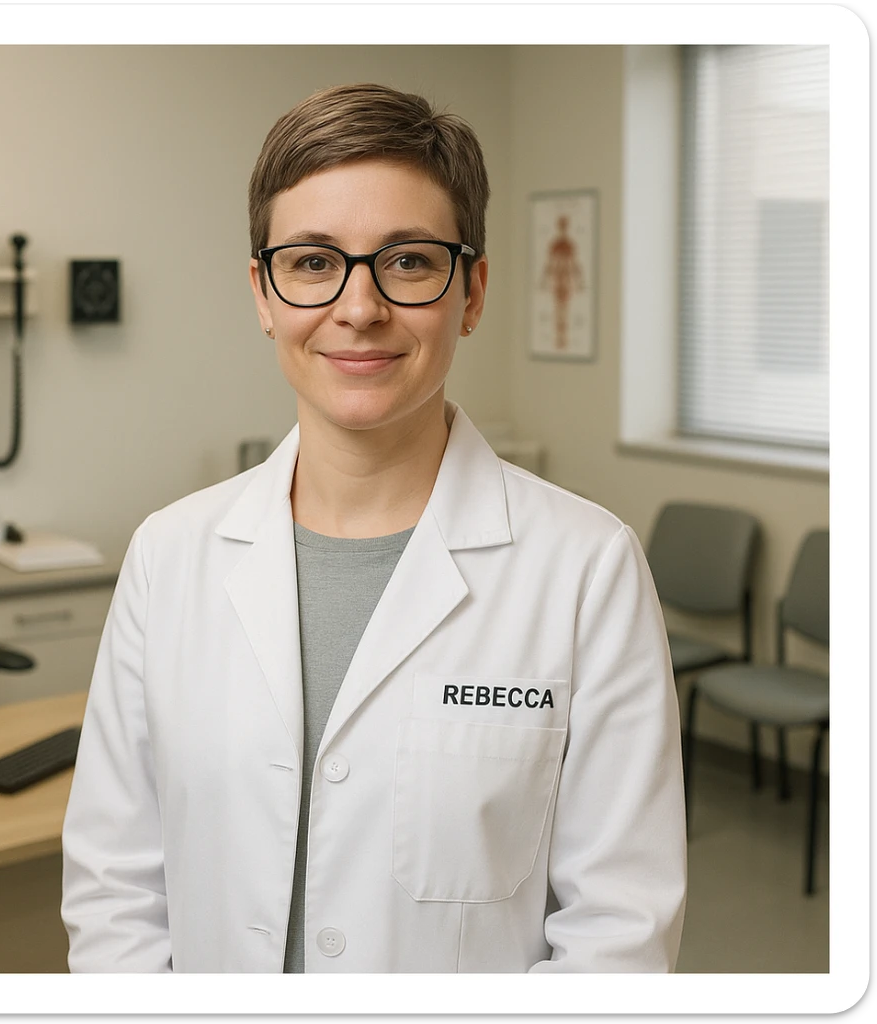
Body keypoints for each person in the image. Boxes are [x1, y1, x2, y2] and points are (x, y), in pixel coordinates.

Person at [60, 82, 687, 974]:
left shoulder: (587, 568)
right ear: (264, 295)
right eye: (314, 262)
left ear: (470, 292)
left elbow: (618, 935)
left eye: (408, 261)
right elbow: (115, 890)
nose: (359, 307)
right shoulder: (170, 555)